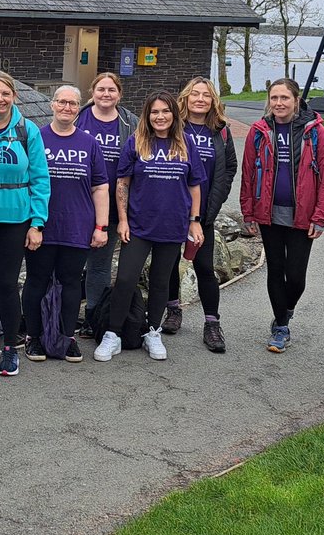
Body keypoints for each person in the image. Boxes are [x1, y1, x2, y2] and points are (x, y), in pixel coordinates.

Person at [96, 91, 206, 362]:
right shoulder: (136, 142)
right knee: (124, 279)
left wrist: (195, 222)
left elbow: (195, 185)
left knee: (160, 283)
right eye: (154, 112)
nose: (160, 117)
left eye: (165, 111)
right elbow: (122, 183)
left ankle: (153, 331)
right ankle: (113, 334)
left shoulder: (186, 144)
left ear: (174, 114)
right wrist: (122, 219)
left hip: (172, 226)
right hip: (138, 226)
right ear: (147, 115)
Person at [239, 78, 324, 353]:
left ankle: (287, 308)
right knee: (275, 270)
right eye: (274, 98)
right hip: (268, 214)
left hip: (302, 215)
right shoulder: (259, 131)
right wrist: (248, 213)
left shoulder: (315, 132)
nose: (279, 103)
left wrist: (321, 216)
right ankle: (281, 326)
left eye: (284, 98)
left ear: (296, 100)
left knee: (295, 276)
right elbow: (248, 174)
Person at [23, 85, 108, 363]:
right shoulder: (36, 138)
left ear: (78, 107)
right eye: (62, 102)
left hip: (77, 226)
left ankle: (66, 336)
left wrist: (101, 226)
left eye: (73, 104)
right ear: (52, 105)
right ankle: (34, 337)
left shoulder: (89, 143)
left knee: (71, 283)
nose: (67, 108)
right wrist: (30, 224)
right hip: (42, 225)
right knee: (36, 280)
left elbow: (100, 187)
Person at [0, 71, 50, 376]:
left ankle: (9, 346)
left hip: (16, 217)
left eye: (5, 93)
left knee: (6, 283)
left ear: (14, 96)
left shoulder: (27, 130)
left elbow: (40, 178)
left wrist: (37, 223)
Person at [164, 76, 238, 351]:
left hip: (204, 212)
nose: (199, 99)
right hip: (172, 210)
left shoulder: (220, 131)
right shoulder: (173, 126)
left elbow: (229, 168)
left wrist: (216, 200)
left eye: (205, 95)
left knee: (205, 267)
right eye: (194, 94)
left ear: (213, 101)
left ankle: (212, 324)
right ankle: (173, 309)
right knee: (169, 264)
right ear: (186, 97)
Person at [75, 72, 139, 330]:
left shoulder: (130, 122)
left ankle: (93, 316)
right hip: (78, 204)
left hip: (113, 207)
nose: (106, 94)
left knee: (99, 265)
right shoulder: (79, 117)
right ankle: (61, 315)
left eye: (111, 90)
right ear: (92, 92)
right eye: (101, 89)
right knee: (71, 263)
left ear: (119, 94)